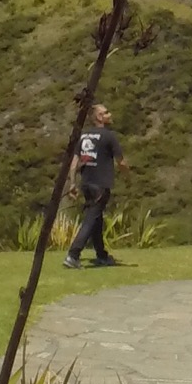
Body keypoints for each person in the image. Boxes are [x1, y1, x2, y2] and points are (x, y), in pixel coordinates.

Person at [63, 106, 121, 267]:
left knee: (96, 219)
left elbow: (74, 162)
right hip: (100, 185)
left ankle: (101, 255)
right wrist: (129, 174)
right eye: (106, 112)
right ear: (99, 118)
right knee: (90, 219)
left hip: (86, 183)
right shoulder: (109, 136)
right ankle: (73, 255)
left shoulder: (83, 136)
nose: (110, 114)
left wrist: (72, 183)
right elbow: (121, 161)